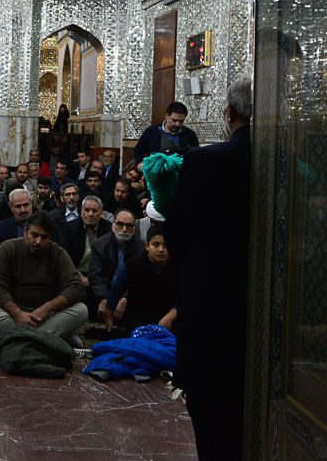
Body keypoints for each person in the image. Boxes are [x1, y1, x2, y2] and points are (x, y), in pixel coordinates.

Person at [164, 76, 253, 460]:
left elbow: (178, 237)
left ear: (229, 113)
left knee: (215, 424)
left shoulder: (206, 160)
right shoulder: (289, 161)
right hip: (275, 320)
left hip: (215, 312)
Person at [0, 211, 87, 344]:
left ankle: (23, 338)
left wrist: (47, 308)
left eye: (44, 237)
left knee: (81, 311)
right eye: (34, 235)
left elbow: (76, 287)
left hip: (48, 314)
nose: (38, 241)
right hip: (13, 310)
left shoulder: (58, 253)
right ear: (25, 231)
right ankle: (52, 336)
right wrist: (17, 314)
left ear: (50, 237)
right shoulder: (8, 248)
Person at [102, 226, 178, 332]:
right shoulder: (132, 265)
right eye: (156, 245)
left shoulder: (177, 268)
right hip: (139, 317)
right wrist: (108, 318)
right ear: (147, 246)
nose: (161, 250)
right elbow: (115, 292)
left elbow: (184, 296)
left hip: (169, 316)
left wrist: (169, 317)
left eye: (166, 245)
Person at [88, 210, 146, 327]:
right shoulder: (99, 244)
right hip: (106, 291)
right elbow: (96, 275)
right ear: (113, 225)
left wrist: (125, 298)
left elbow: (140, 279)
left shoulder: (141, 248)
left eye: (129, 225)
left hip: (130, 294)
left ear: (134, 228)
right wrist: (103, 299)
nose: (124, 229)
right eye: (120, 224)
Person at [59, 195, 112, 318]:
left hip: (101, 278)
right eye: (87, 210)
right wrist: (79, 277)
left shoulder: (109, 229)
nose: (90, 214)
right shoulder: (71, 227)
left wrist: (95, 280)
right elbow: (64, 258)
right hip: (76, 276)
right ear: (82, 211)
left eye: (94, 211)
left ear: (101, 212)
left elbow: (110, 261)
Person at [132, 101, 200, 171]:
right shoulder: (152, 131)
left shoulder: (190, 135)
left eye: (181, 121)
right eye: (174, 120)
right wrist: (140, 164)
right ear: (167, 116)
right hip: (155, 172)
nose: (177, 124)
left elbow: (196, 155)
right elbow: (139, 149)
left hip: (180, 173)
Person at [0, 188, 34, 261]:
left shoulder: (44, 225)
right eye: (18, 206)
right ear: (11, 207)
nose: (23, 210)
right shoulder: (1, 228)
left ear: (31, 204)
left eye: (26, 205)